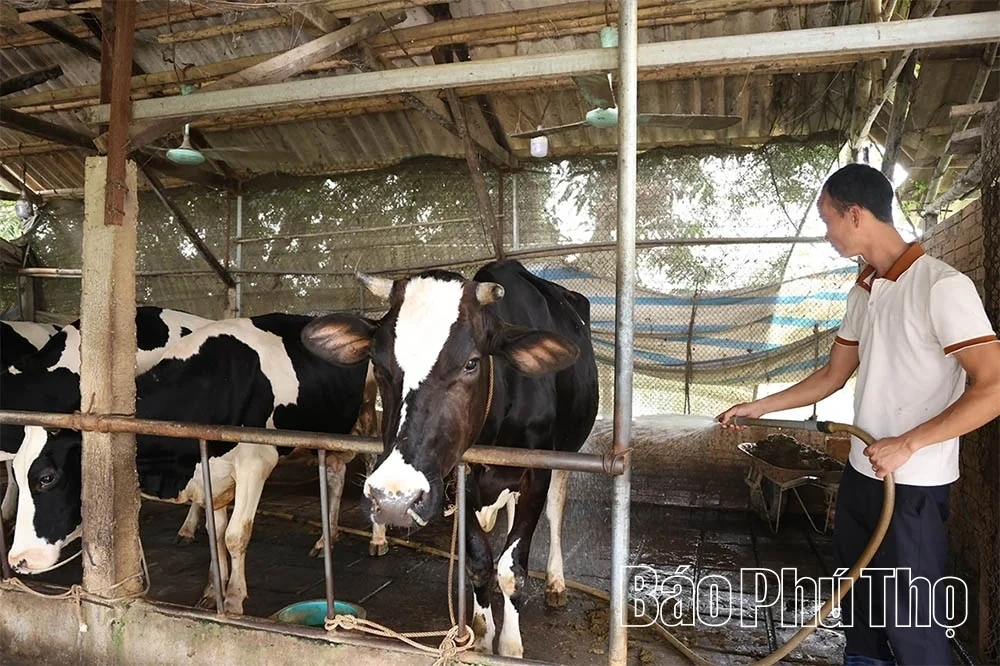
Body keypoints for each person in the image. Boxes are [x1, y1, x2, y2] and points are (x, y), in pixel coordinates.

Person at [718, 163, 1000, 666]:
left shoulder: (940, 286)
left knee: (912, 621)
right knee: (859, 605)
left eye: (827, 221)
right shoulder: (864, 293)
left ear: (854, 214)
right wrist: (758, 408)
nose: (826, 234)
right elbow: (832, 377)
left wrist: (909, 443)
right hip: (862, 474)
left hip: (913, 485)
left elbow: (994, 387)